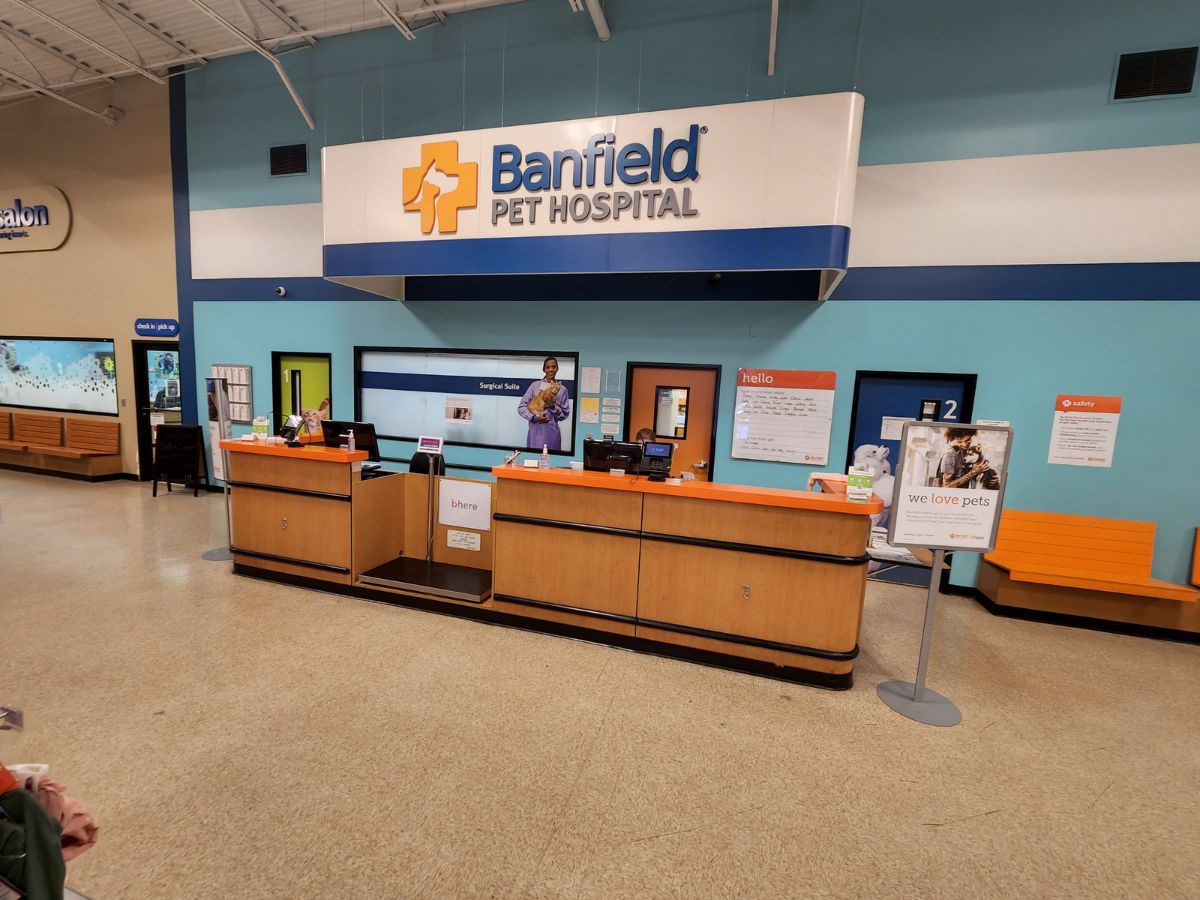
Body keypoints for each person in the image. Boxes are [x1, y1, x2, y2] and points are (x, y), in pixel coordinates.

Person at [518, 356, 571, 451]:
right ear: (544, 369)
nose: (551, 370)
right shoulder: (534, 386)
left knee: (552, 459)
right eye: (548, 367)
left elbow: (565, 414)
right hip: (535, 433)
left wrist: (553, 407)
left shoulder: (562, 390)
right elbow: (521, 407)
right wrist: (534, 418)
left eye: (553, 367)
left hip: (552, 434)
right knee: (533, 459)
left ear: (557, 369)